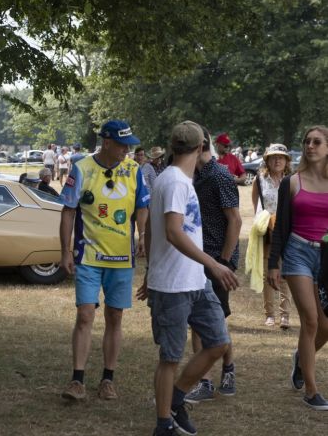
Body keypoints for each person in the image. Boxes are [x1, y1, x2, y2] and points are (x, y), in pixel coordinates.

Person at [138, 120, 239, 436]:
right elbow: (172, 231)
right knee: (170, 357)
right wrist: (216, 264)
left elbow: (155, 229)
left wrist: (149, 270)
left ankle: (177, 398)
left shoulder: (174, 178)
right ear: (201, 148)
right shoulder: (175, 182)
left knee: (218, 342)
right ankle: (163, 423)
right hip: (174, 286)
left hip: (196, 281)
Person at [59, 120, 149, 401]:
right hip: (88, 256)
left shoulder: (133, 170)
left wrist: (142, 234)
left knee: (115, 316)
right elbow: (68, 211)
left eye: (129, 145)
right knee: (85, 314)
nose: (128, 149)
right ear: (107, 142)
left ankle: (108, 378)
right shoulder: (82, 168)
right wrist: (65, 251)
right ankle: (77, 380)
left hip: (122, 258)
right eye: (123, 144)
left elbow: (142, 206)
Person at [268, 125, 328, 410]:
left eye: (317, 142)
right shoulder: (291, 182)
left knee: (326, 327)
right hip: (298, 253)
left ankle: (299, 359)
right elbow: (280, 227)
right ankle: (311, 390)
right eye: (307, 141)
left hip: (326, 256)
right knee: (311, 321)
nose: (310, 146)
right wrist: (272, 265)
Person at [184, 127, 242, 403]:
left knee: (215, 320)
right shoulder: (190, 175)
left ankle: (227, 369)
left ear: (200, 144)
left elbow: (235, 220)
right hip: (197, 256)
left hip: (218, 258)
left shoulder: (219, 176)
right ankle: (204, 381)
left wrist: (224, 262)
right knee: (198, 320)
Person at [251, 143, 293, 328]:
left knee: (285, 274)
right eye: (273, 157)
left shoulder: (292, 180)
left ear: (286, 161)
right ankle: (269, 314)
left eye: (281, 157)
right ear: (267, 160)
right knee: (269, 273)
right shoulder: (259, 180)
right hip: (267, 232)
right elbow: (256, 207)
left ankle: (285, 315)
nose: (277, 160)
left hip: (288, 232)